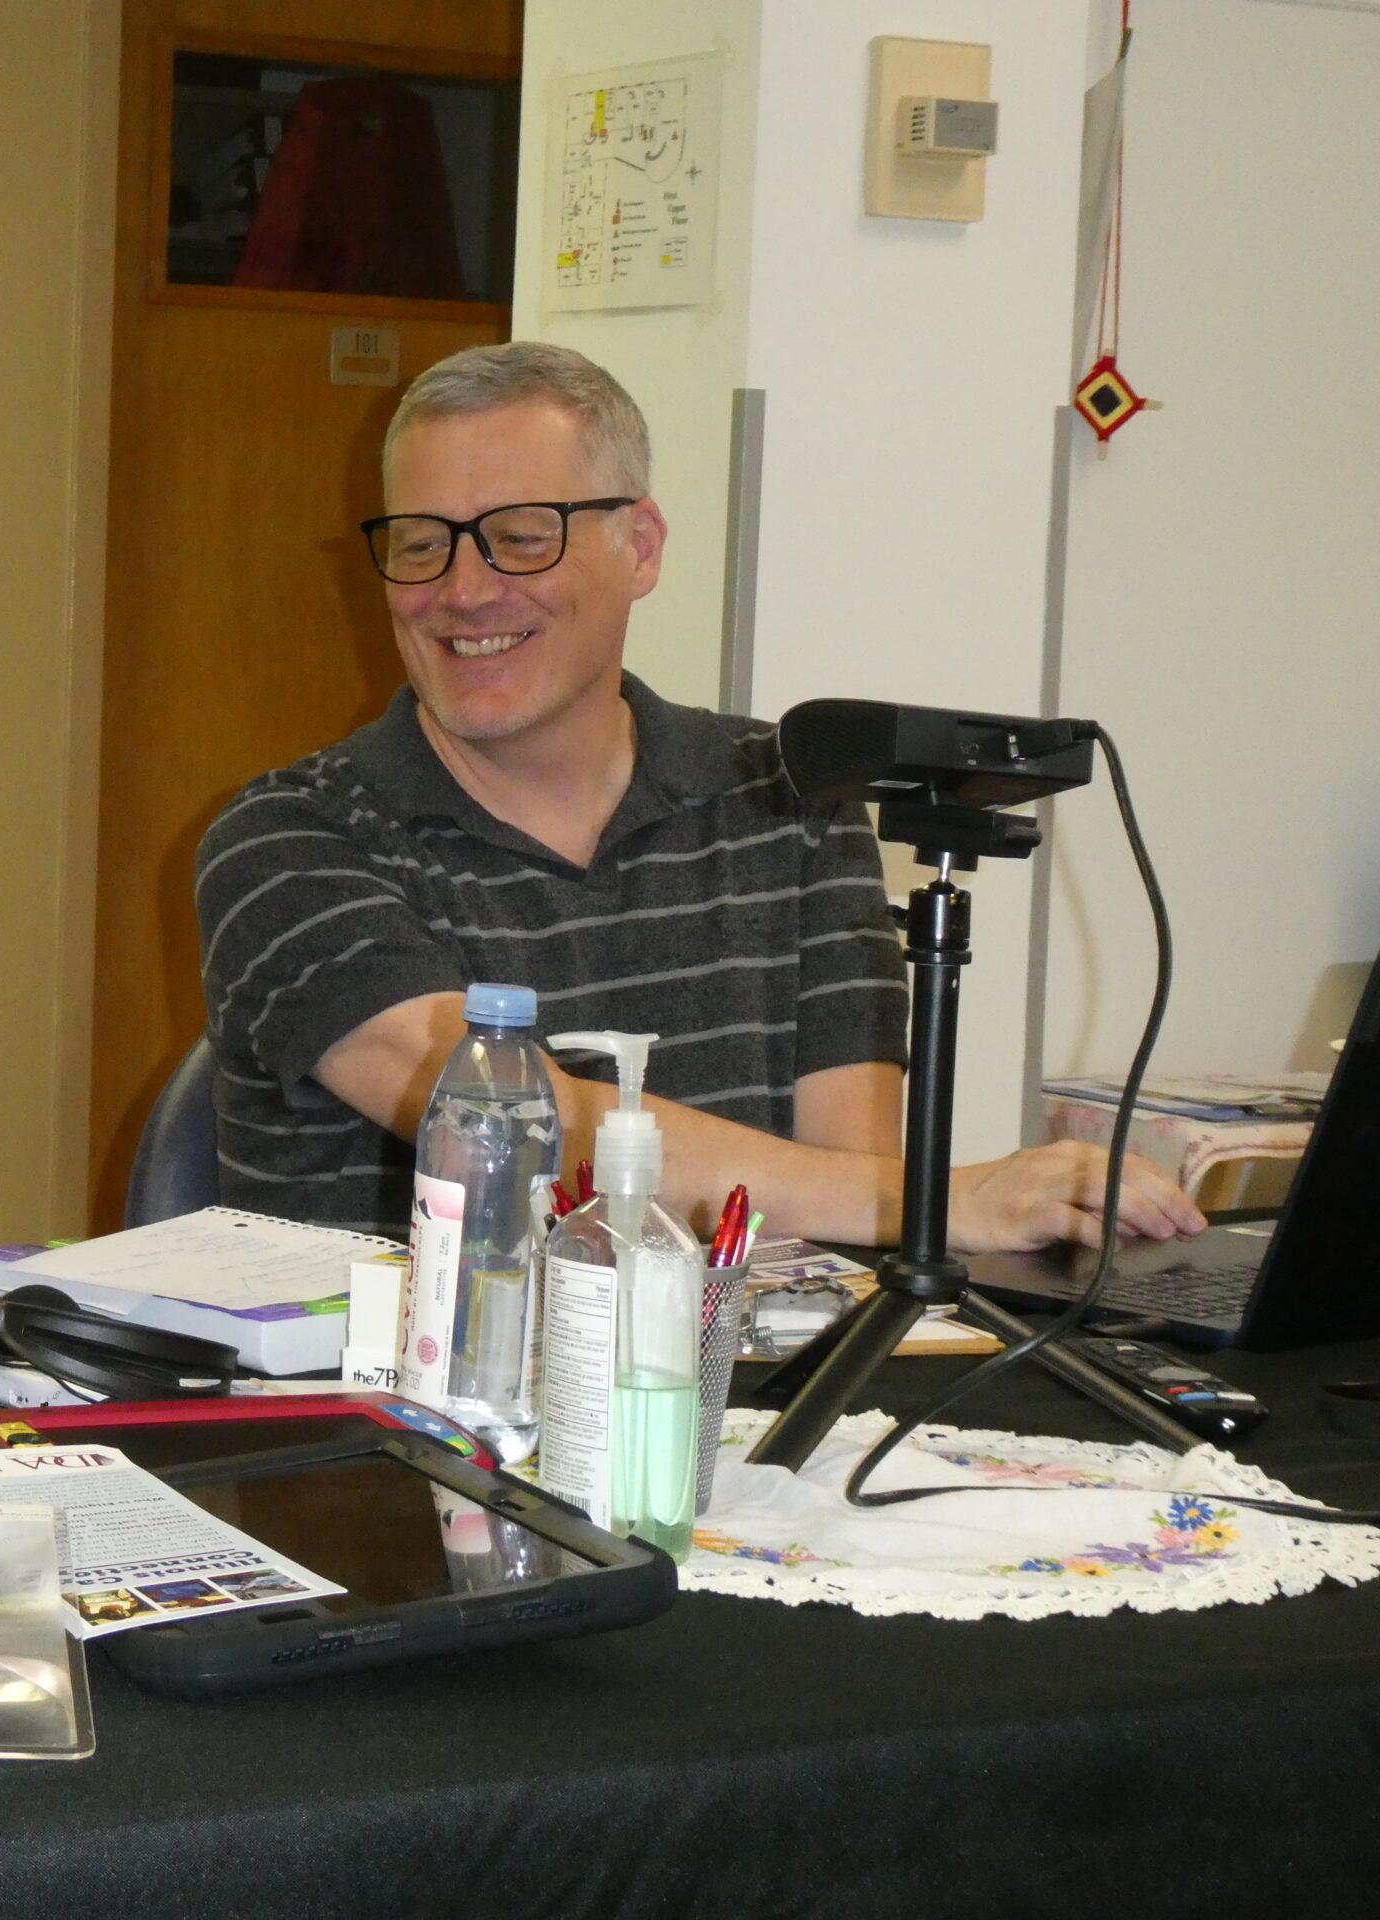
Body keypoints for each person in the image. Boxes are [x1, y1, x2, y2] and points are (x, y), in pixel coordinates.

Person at [195, 342, 1203, 1254]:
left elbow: (847, 1194)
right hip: (399, 1430)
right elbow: (511, 1121)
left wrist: (926, 1211)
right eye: (423, 542)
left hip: (730, 1407)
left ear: (640, 547)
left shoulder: (787, 797)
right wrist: (946, 1205)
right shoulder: (287, 841)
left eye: (519, 534)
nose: (462, 590)